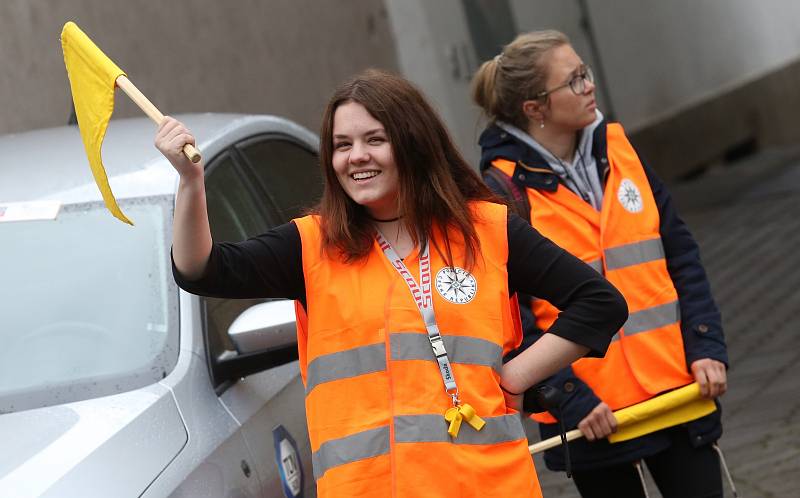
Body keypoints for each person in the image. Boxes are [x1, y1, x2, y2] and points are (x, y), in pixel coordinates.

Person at [158, 68, 627, 498]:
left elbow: (600, 303)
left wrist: (515, 376)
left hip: (487, 484)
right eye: (342, 145)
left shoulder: (487, 229)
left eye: (374, 140)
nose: (356, 157)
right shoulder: (311, 245)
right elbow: (202, 269)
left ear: (412, 143)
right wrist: (191, 182)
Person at [471, 30, 730, 498]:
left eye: (585, 74)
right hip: (594, 418)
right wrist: (566, 397)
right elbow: (506, 318)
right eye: (573, 81)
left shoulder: (620, 150)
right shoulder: (502, 194)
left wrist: (705, 345)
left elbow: (681, 256)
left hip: (677, 390)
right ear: (535, 109)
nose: (589, 86)